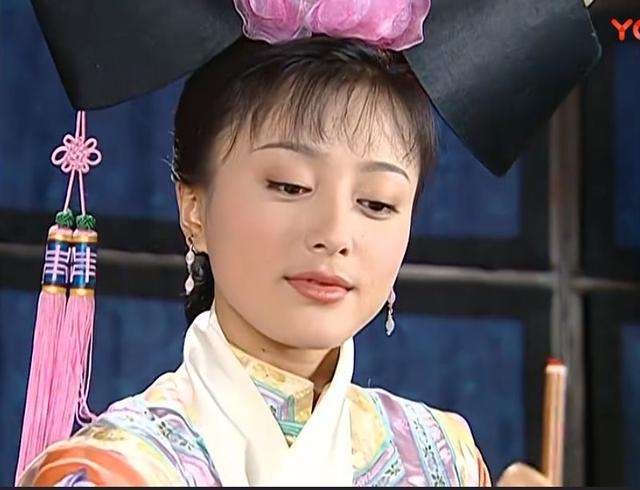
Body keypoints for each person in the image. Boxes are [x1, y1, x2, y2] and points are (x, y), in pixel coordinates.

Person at [14, 0, 601, 486]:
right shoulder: (121, 470)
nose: (335, 235)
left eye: (377, 203)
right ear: (193, 206)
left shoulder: (442, 460)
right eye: (290, 186)